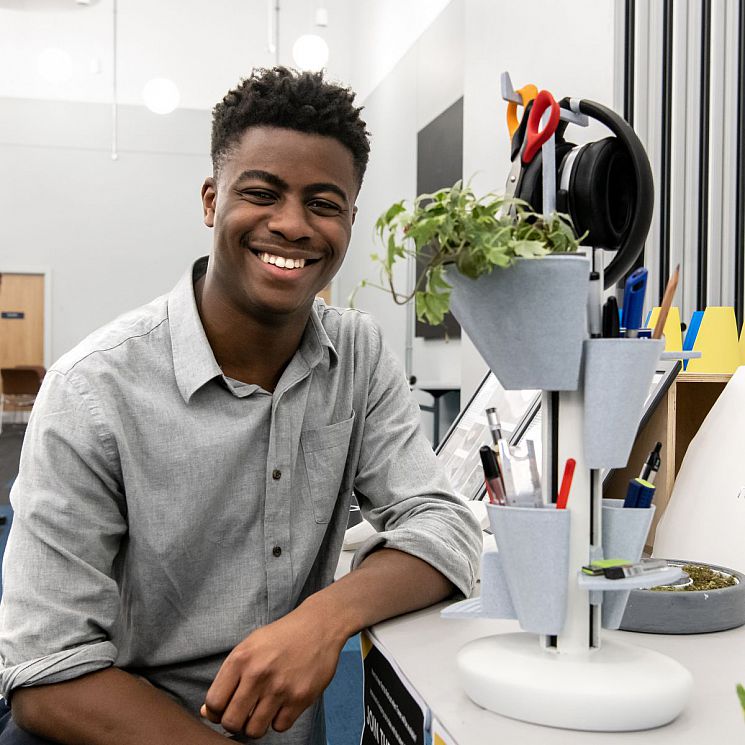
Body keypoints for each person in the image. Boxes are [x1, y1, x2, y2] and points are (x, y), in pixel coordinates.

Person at [0, 66, 482, 745]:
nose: (291, 224)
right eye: (262, 193)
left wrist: (321, 617)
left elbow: (444, 524)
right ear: (210, 200)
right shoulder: (93, 390)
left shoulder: (357, 353)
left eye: (323, 203)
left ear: (349, 219)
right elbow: (45, 672)